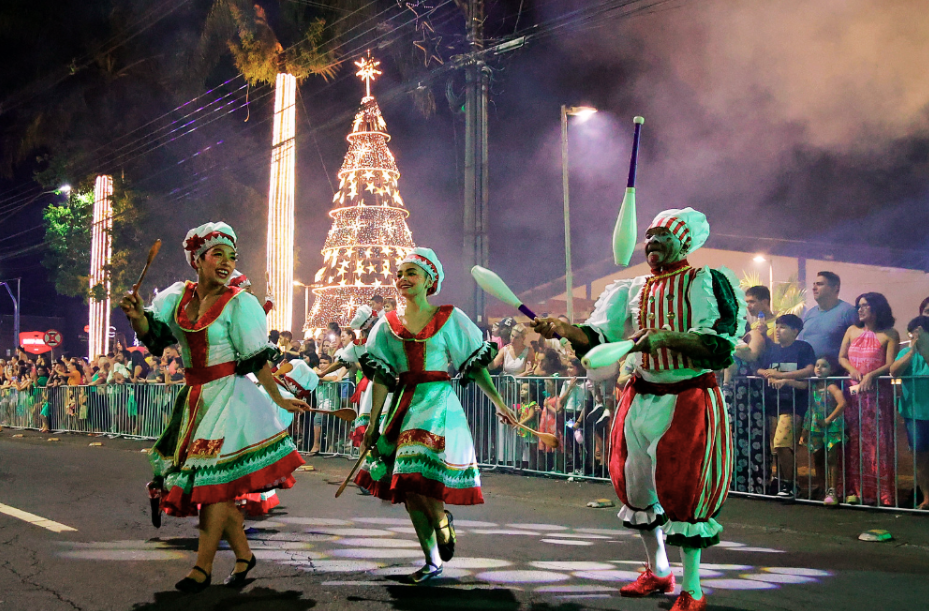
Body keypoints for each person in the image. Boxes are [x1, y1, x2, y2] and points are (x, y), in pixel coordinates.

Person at [532, 208, 744, 611]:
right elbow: (597, 338)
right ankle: (658, 570)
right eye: (648, 237)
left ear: (684, 242)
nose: (651, 244)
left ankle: (692, 587)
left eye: (662, 237)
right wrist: (562, 328)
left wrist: (665, 338)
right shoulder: (631, 289)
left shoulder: (703, 282)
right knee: (636, 487)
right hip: (640, 395)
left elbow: (717, 345)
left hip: (688, 396)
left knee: (686, 490)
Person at [119, 221, 309, 593]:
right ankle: (244, 555)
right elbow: (157, 339)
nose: (226, 261)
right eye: (217, 254)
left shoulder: (239, 303)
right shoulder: (178, 297)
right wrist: (138, 316)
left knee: (214, 486)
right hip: (194, 400)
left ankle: (201, 568)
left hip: (229, 399)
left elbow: (255, 359)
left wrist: (278, 397)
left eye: (231, 255)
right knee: (215, 487)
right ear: (197, 259)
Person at [355, 247, 514, 584]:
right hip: (402, 406)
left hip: (437, 403)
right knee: (410, 488)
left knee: (415, 468)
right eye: (400, 274)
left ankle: (442, 522)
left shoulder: (449, 317)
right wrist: (371, 423)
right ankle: (432, 560)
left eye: (411, 273)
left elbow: (475, 365)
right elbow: (382, 378)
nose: (403, 279)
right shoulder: (386, 326)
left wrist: (499, 402)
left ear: (429, 281)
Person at [838, 292, 899, 506]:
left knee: (877, 443)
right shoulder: (851, 330)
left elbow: (890, 364)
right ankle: (853, 490)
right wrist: (852, 370)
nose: (860, 310)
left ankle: (881, 493)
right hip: (853, 395)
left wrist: (872, 375)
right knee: (853, 441)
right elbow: (842, 357)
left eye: (865, 306)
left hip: (877, 396)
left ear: (877, 308)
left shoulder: (890, 333)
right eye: (859, 306)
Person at [756, 314, 816, 498]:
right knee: (777, 448)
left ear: (795, 331)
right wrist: (767, 373)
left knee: (783, 444)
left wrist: (782, 377)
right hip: (773, 404)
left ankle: (790, 484)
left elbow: (809, 370)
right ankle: (782, 481)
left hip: (794, 405)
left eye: (783, 327)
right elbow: (758, 368)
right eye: (777, 327)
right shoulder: (771, 350)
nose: (778, 331)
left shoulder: (803, 348)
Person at [890, 316, 929, 509]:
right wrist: (912, 350)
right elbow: (894, 371)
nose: (917, 336)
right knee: (920, 456)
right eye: (913, 333)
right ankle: (927, 497)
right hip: (914, 413)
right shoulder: (906, 352)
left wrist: (924, 349)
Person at [799, 356, 846, 505]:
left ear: (831, 370)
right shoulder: (813, 387)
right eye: (817, 365)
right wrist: (805, 431)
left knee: (831, 459)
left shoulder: (831, 386)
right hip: (816, 427)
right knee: (818, 458)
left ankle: (832, 489)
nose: (819, 368)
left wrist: (828, 419)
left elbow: (842, 403)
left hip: (831, 426)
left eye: (824, 366)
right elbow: (810, 409)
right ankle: (822, 486)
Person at [798, 272, 858, 360]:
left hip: (837, 372)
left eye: (820, 284)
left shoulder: (848, 311)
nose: (814, 288)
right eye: (814, 284)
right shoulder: (810, 313)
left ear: (835, 288)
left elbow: (859, 344)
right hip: (809, 371)